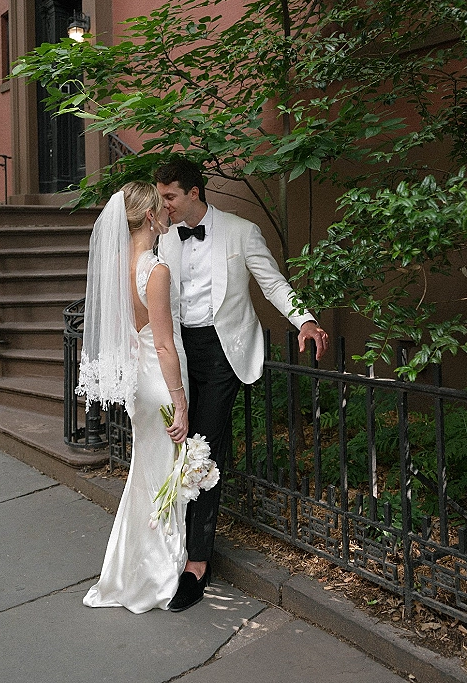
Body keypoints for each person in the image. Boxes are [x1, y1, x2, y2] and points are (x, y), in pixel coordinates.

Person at [156, 157, 329, 612]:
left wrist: (304, 320)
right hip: (176, 352)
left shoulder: (239, 230)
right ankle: (171, 543)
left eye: (170, 196)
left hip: (222, 352)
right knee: (175, 445)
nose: (164, 205)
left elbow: (271, 284)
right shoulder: (161, 236)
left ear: (194, 193)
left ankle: (197, 563)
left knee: (205, 448)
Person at [78, 182, 189, 613]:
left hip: (139, 384)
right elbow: (164, 345)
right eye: (162, 208)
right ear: (149, 218)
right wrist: (179, 400)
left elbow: (131, 333)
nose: (167, 213)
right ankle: (156, 575)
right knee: (163, 476)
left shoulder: (118, 266)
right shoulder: (155, 269)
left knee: (147, 474)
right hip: (161, 380)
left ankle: (129, 570)